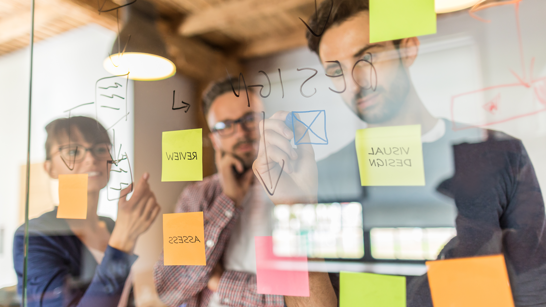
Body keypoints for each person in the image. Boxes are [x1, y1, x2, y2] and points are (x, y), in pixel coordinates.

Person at [253, 0, 546, 306]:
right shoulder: (313, 182)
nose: (355, 83)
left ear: (408, 48)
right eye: (335, 71)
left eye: (367, 57)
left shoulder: (498, 151)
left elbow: (535, 286)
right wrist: (295, 208)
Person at [153, 78, 285, 307]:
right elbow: (169, 288)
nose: (241, 132)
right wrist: (229, 200)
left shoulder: (294, 190)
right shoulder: (195, 196)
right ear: (214, 140)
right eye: (225, 126)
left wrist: (220, 281)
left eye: (249, 119)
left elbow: (299, 298)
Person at [13, 116, 160, 307]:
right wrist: (123, 240)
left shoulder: (110, 225)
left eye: (100, 149)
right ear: (49, 168)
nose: (91, 159)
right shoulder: (34, 236)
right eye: (73, 151)